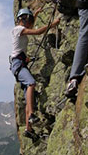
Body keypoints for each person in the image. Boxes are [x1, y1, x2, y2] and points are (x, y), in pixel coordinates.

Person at [10, 8, 60, 139]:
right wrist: (52, 24)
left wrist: (36, 14)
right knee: (31, 83)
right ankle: (31, 115)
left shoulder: (21, 31)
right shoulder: (18, 29)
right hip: (18, 65)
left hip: (19, 63)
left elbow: (30, 27)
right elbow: (37, 31)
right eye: (29, 20)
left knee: (29, 98)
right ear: (23, 19)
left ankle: (29, 129)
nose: (30, 23)